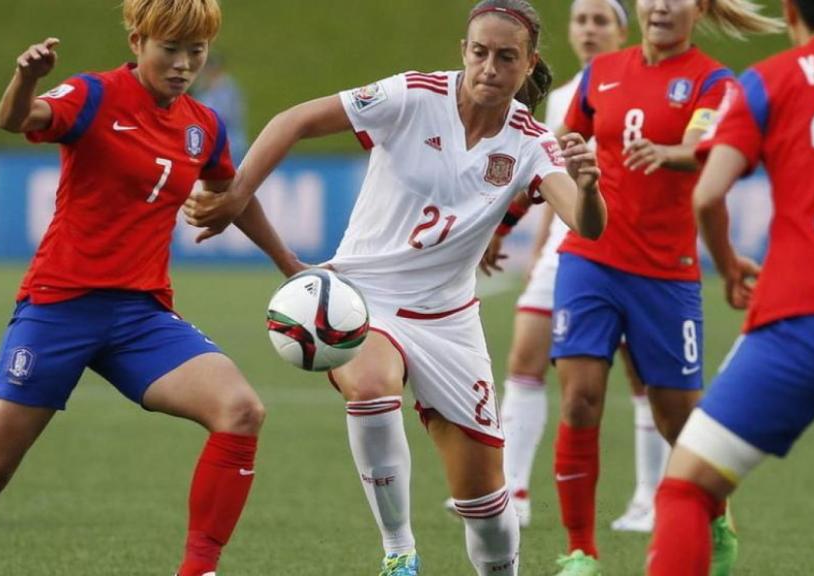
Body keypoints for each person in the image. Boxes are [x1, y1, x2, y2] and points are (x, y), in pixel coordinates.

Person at [183, 2, 606, 573]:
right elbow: (294, 121)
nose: (489, 67)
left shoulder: (530, 141)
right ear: (463, 50)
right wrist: (236, 194)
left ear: (528, 64)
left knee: (488, 514)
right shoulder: (411, 95)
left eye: (507, 57)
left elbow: (585, 224)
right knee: (372, 384)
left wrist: (589, 187)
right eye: (479, 52)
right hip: (363, 297)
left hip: (450, 323)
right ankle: (399, 552)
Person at [0, 1, 280, 574]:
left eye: (194, 52)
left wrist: (292, 265)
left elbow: (231, 194)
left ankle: (198, 571)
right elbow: (17, 119)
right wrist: (27, 78)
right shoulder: (93, 96)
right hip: (58, 308)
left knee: (241, 410)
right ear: (136, 40)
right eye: (169, 49)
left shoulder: (203, 126)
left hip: (140, 316)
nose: (182, 65)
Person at [647, 0, 814, 572]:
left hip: (803, 317)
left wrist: (729, 265)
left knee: (687, 488)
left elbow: (707, 193)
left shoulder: (770, 80)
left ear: (790, 11)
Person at [546, 0, 782, 572]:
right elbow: (561, 139)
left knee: (678, 419)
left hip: (665, 273)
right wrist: (570, 156)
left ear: (697, 8)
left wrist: (668, 152)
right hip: (590, 257)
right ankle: (581, 551)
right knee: (579, 398)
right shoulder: (601, 74)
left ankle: (717, 521)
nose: (660, 5)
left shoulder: (712, 80)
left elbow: (703, 149)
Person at [484, 0, 668, 534]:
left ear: (621, 31)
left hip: (633, 249)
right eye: (580, 21)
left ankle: (649, 497)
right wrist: (531, 242)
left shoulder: (643, 83)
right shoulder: (564, 97)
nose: (588, 30)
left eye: (600, 21)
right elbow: (548, 177)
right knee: (524, 355)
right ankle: (512, 490)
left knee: (639, 376)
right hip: (571, 248)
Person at [192, 53, 247, 163]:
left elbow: (224, 115)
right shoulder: (202, 88)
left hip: (231, 145)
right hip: (211, 145)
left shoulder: (227, 88)